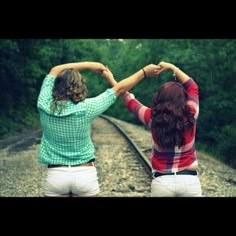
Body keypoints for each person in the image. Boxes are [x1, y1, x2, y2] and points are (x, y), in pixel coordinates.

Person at [37, 61, 159, 197]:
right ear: (79, 87)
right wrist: (144, 72)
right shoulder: (87, 108)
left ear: (55, 86)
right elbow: (119, 89)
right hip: (84, 175)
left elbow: (55, 69)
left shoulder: (44, 104)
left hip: (56, 176)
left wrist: (90, 65)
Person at [122, 61, 202, 197]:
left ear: (159, 99)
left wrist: (143, 73)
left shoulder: (152, 118)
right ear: (183, 99)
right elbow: (192, 86)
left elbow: (128, 99)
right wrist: (172, 67)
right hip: (189, 182)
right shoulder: (191, 113)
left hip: (162, 183)